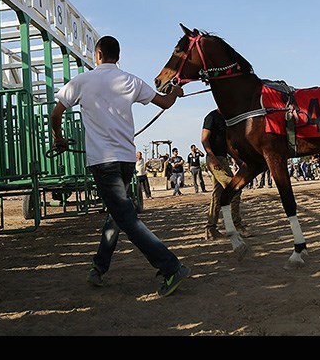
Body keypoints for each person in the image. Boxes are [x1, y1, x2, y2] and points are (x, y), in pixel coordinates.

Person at [50, 35, 191, 297]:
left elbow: (56, 113)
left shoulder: (82, 80)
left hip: (103, 162)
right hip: (127, 160)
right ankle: (99, 267)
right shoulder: (130, 80)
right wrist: (175, 91)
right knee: (118, 214)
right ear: (118, 55)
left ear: (99, 54)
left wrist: (59, 140)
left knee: (126, 217)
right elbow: (165, 102)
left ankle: (171, 267)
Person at [202, 108, 250, 239]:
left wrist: (238, 161)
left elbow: (227, 147)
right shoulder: (211, 117)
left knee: (217, 195)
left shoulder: (226, 120)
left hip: (223, 160)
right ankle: (237, 226)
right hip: (215, 160)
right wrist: (212, 157)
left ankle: (210, 229)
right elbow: (204, 139)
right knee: (235, 189)